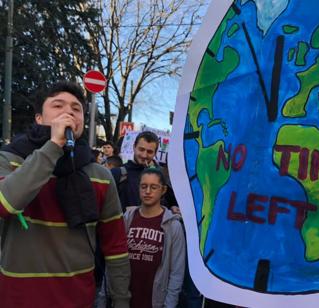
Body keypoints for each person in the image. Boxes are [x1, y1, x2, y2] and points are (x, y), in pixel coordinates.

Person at [0, 81, 130, 307]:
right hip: (18, 299)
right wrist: (53, 146)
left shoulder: (101, 176)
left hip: (78, 299)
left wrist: (121, 300)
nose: (69, 111)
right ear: (39, 118)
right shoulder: (9, 161)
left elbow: (115, 246)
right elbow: (6, 203)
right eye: (58, 105)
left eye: (76, 108)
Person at [124, 168, 185, 308]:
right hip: (126, 299)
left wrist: (169, 305)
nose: (148, 191)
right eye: (144, 186)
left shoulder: (173, 226)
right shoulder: (127, 218)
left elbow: (177, 272)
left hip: (155, 300)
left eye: (154, 187)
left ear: (163, 190)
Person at [111, 131, 179, 213]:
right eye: (141, 149)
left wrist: (173, 207)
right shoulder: (117, 173)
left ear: (155, 153)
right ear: (134, 147)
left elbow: (173, 202)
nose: (144, 155)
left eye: (149, 152)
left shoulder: (163, 175)